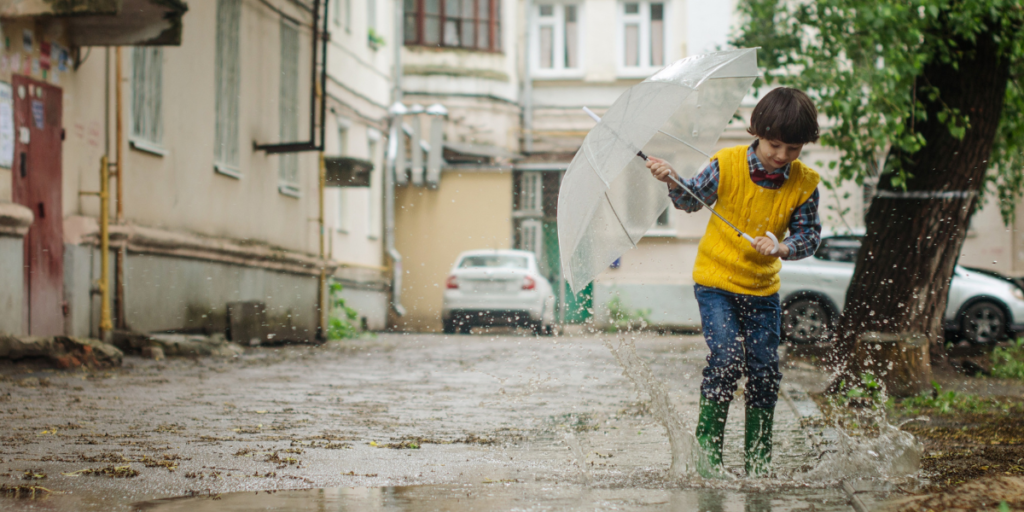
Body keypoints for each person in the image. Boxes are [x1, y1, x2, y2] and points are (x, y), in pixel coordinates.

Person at [646, 87, 822, 477]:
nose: (781, 156)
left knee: (763, 371)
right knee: (725, 361)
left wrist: (783, 247)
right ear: (756, 132)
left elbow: (809, 237)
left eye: (793, 149)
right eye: (775, 144)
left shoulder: (805, 183)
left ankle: (758, 464)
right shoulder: (726, 164)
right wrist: (672, 179)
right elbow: (690, 200)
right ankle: (708, 462)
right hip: (716, 283)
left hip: (762, 290)